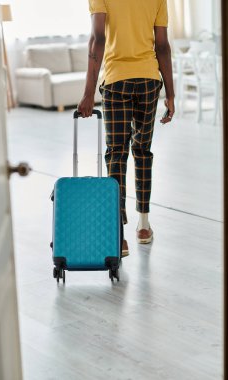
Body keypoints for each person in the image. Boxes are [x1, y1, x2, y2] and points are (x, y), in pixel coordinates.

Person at [78, 0, 175, 257]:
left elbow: (97, 39)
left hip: (116, 81)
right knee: (142, 151)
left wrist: (88, 93)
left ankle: (118, 233)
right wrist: (171, 94)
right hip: (148, 80)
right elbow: (162, 46)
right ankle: (144, 225)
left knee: (116, 154)